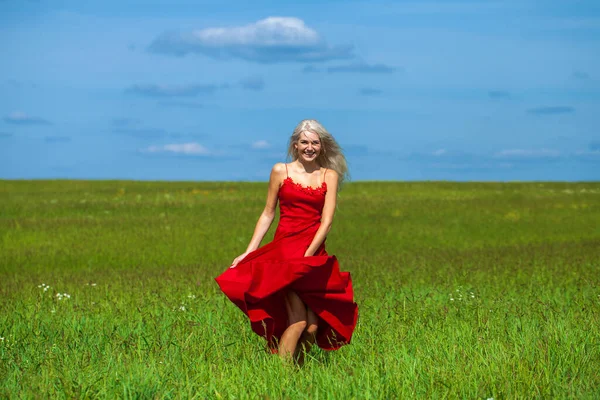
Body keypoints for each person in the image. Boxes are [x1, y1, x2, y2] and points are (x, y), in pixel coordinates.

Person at [215, 119, 358, 364]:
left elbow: (327, 222)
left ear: (322, 146)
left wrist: (309, 256)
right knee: (298, 321)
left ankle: (295, 373)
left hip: (313, 255)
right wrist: (249, 252)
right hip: (287, 253)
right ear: (295, 145)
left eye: (315, 142)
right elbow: (268, 213)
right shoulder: (281, 171)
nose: (309, 147)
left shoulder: (329, 175)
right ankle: (282, 377)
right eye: (304, 142)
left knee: (313, 328)